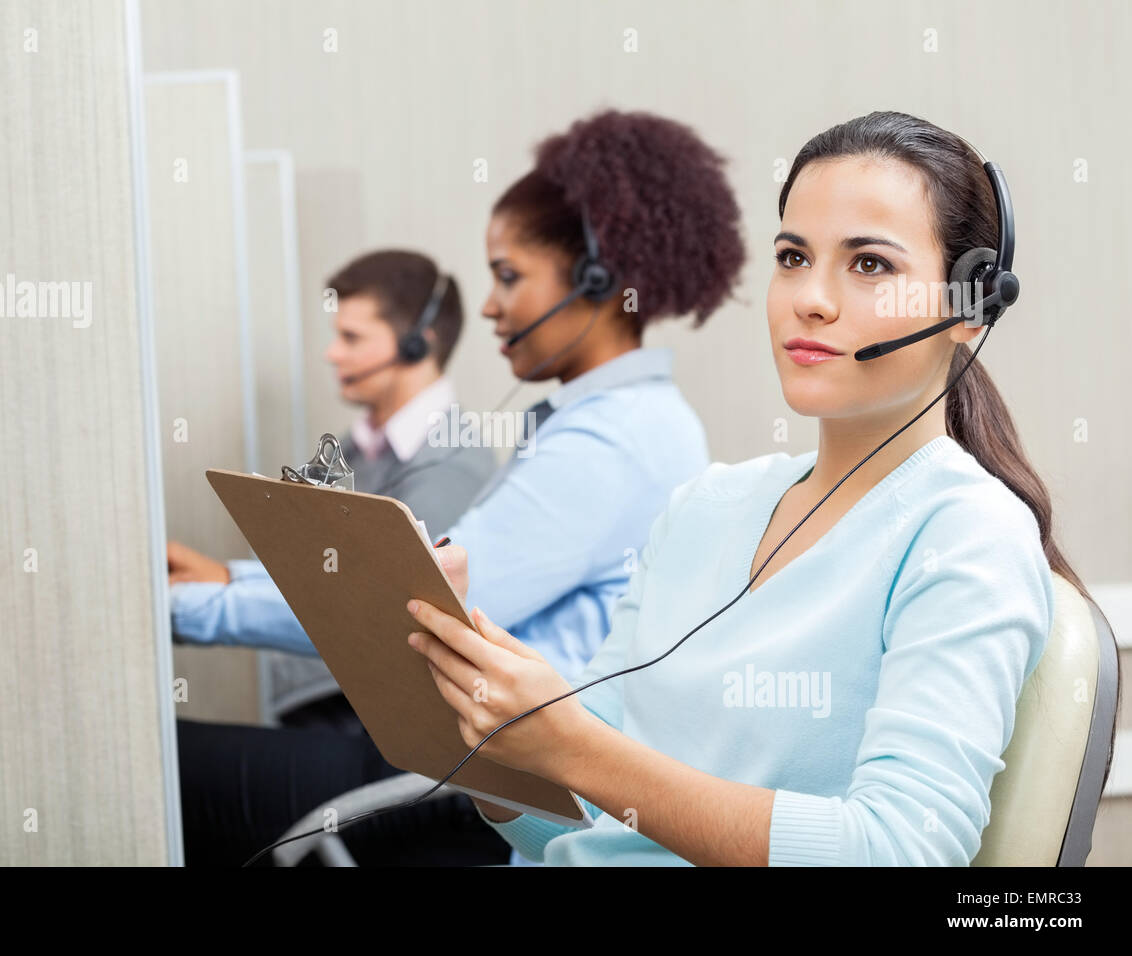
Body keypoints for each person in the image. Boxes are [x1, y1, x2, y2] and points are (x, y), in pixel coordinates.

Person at [407, 111, 1112, 866]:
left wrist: (577, 749)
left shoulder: (965, 533)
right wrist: (483, 723)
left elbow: (897, 852)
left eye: (869, 264)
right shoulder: (701, 510)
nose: (811, 298)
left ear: (971, 305)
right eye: (793, 256)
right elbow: (577, 828)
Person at [176, 108, 747, 865]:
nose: (486, 306)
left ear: (598, 281)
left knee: (167, 765)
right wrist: (224, 579)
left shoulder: (615, 440)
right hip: (476, 764)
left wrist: (188, 608)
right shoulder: (613, 423)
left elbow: (418, 605)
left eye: (509, 277)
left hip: (487, 787)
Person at [168, 249, 496, 731]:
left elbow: (372, 609)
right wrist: (224, 576)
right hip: (330, 700)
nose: (332, 353)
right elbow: (325, 570)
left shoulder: (450, 466)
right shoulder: (359, 447)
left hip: (378, 728)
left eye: (351, 337)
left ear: (414, 345)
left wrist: (200, 603)